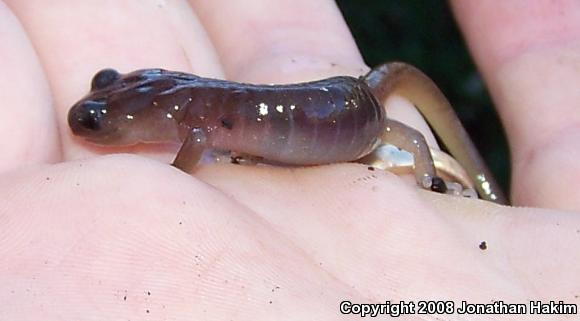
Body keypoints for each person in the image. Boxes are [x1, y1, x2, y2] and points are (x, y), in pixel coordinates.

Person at [1, 1, 579, 320]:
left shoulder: (199, 126)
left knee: (398, 127)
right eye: (102, 105)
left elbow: (194, 156)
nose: (92, 117)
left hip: (362, 118)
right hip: (347, 103)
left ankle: (445, 174)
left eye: (98, 117)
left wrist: (428, 174)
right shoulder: (200, 117)